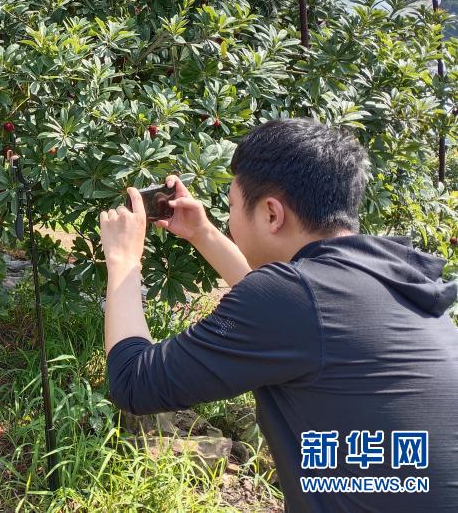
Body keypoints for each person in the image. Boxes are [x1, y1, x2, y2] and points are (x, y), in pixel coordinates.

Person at [100, 118, 458, 512]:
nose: (230, 220)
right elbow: (290, 314)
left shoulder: (294, 300)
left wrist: (122, 259)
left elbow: (133, 380)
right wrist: (203, 234)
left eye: (233, 207)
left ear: (272, 213)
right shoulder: (391, 278)